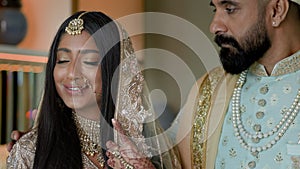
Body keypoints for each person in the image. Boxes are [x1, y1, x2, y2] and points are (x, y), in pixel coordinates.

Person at [7, 11, 181, 169]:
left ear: (114, 71)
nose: (72, 73)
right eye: (63, 60)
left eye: (89, 61)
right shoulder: (30, 152)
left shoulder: (144, 149)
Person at [176, 0, 300, 168]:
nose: (214, 26)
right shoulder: (209, 90)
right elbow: (163, 154)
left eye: (230, 9)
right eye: (215, 9)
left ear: (277, 11)